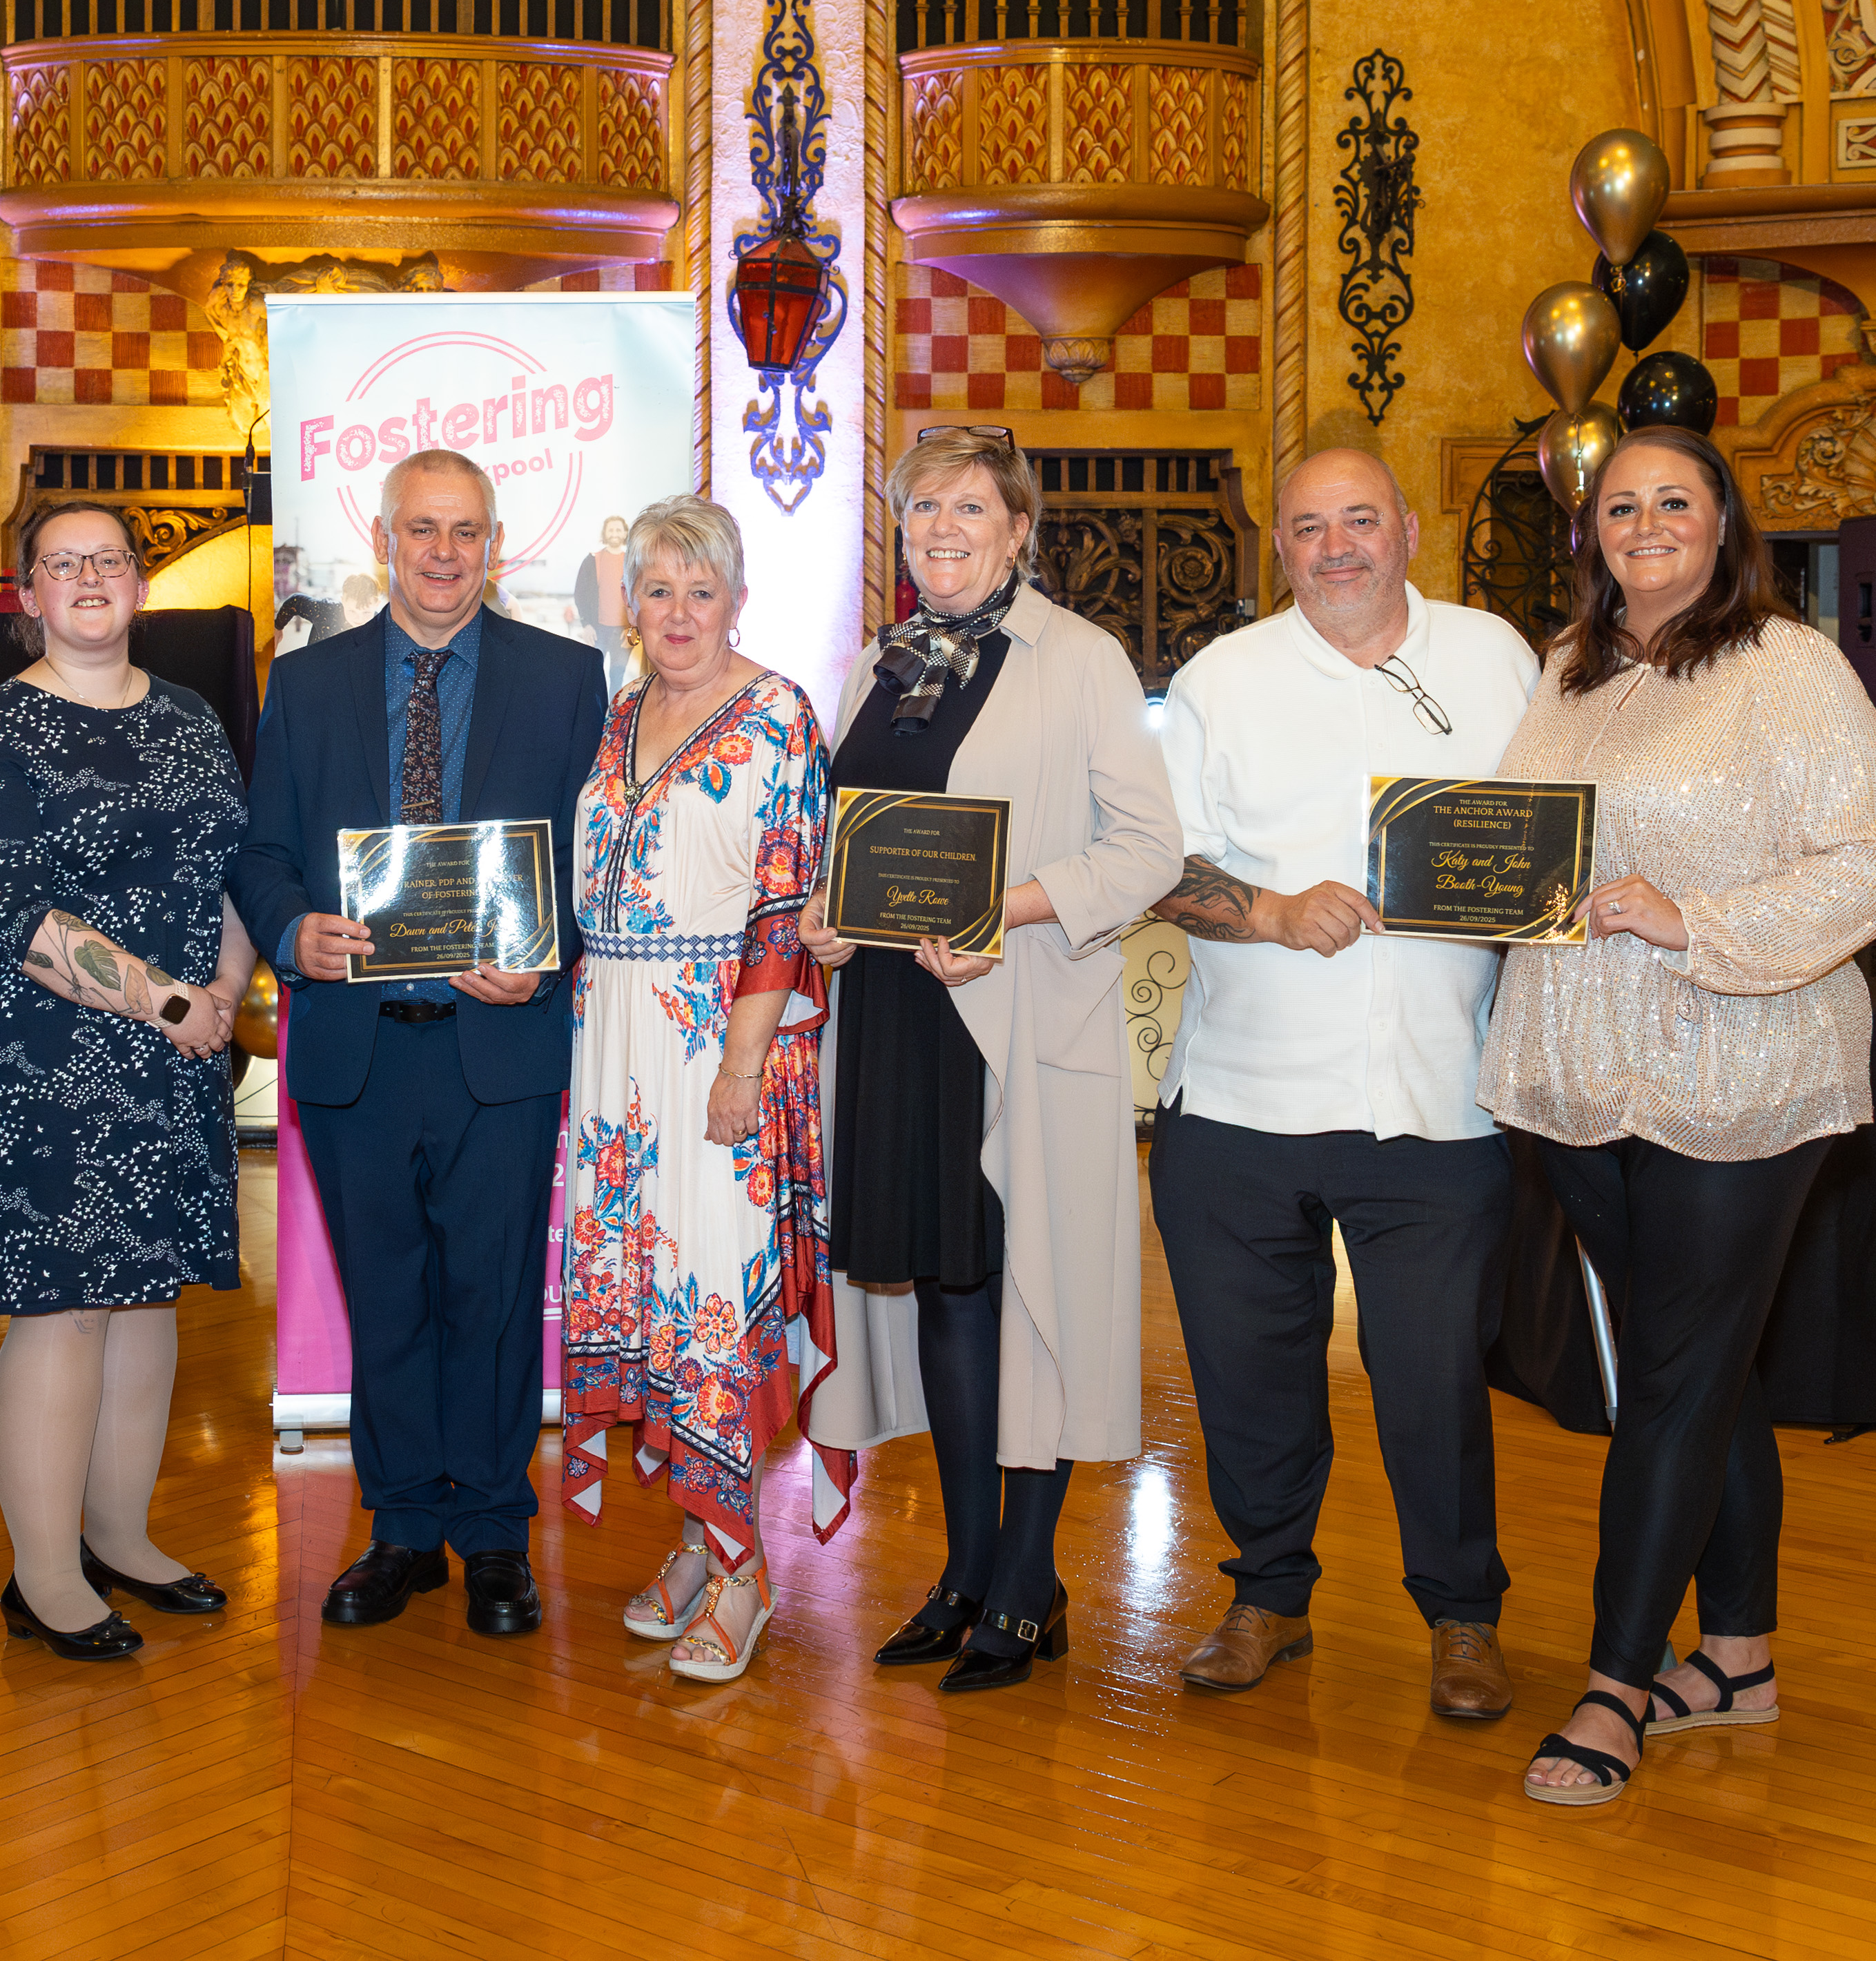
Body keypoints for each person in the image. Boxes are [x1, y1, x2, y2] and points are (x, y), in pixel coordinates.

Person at [1489, 428, 1876, 1807]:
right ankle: (1732, 1659)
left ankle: (1618, 1681)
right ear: (1591, 532)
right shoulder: (1567, 670)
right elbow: (1519, 837)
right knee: (1705, 1367)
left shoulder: (1785, 667)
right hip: (1583, 1071)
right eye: (1621, 505)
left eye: (1675, 499)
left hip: (1740, 1063)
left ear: (1724, 520)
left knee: (1669, 1377)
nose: (1647, 522)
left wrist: (1699, 919)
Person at [1144, 447, 1541, 1723]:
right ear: (1281, 547)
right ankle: (1267, 1593)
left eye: (1357, 519)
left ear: (1407, 529)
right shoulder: (1223, 677)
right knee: (1248, 1375)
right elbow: (1151, 862)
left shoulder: (1498, 660)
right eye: (1306, 526)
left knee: (1432, 1375)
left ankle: (1462, 1617)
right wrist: (1263, 907)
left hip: (1438, 1102)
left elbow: (1560, 833)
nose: (1334, 547)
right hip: (1239, 1105)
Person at [799, 426, 1180, 1695]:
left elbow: (1146, 852)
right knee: (954, 1298)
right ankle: (964, 1570)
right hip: (903, 1025)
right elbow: (857, 836)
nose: (941, 529)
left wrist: (1004, 907)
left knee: (1032, 1301)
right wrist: (826, 911)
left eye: (970, 506)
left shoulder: (1078, 658)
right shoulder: (879, 660)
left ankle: (1027, 1579)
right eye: (920, 509)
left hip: (1018, 1018)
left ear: (1019, 527)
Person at [233, 446, 605, 1636]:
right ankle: (399, 1528)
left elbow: (600, 858)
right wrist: (294, 930)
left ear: (495, 547)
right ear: (381, 539)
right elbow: (261, 851)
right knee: (384, 1294)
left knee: (489, 1298)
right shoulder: (307, 681)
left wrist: (547, 949)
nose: (443, 552)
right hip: (355, 1045)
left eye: (466, 531)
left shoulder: (566, 678)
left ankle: (494, 1531)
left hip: (497, 1045)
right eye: (421, 529)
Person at [0, 501, 255, 1663]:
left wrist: (220, 993)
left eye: (109, 559)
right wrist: (169, 1002)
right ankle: (43, 1572)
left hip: (178, 1048)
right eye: (60, 562)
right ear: (25, 595)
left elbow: (234, 867)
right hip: (51, 1058)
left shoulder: (188, 718)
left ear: (138, 583)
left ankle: (121, 1533)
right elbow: (15, 914)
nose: (88, 575)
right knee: (63, 1304)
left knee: (147, 1296)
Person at [558, 495, 840, 1684]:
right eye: (656, 589)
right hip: (612, 1047)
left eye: (700, 589)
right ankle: (693, 1534)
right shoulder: (621, 712)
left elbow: (785, 904)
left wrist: (739, 1065)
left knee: (707, 1296)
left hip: (717, 1044)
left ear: (737, 599)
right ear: (630, 603)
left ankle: (742, 1569)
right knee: (645, 1296)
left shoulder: (778, 714)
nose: (677, 612)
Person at [578, 513, 634, 689]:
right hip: (598, 630)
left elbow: (641, 596)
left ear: (625, 533)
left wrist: (634, 629)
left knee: (617, 676)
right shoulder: (592, 560)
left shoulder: (633, 562)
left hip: (624, 632)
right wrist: (586, 624)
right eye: (611, 530)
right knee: (594, 677)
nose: (615, 533)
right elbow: (580, 593)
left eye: (619, 529)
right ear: (605, 533)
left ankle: (614, 715)